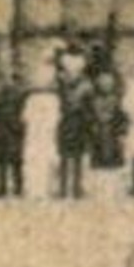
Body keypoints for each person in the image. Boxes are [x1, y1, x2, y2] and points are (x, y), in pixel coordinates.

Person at [56, 44, 93, 199]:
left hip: (78, 122)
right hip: (66, 122)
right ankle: (64, 188)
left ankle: (75, 188)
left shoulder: (84, 86)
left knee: (76, 157)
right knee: (65, 157)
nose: (72, 74)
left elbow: (88, 106)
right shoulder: (61, 84)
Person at [0, 82, 27, 197]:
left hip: (12, 133)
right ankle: (8, 188)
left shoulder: (18, 98)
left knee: (14, 162)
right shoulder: (0, 100)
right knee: (6, 162)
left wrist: (18, 127)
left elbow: (22, 115)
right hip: (6, 133)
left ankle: (15, 188)